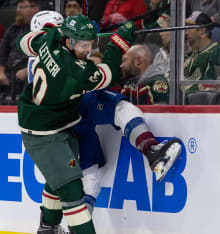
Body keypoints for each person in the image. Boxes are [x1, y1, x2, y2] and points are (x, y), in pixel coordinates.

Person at [19, 13, 181, 234]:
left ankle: (47, 227)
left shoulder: (46, 41)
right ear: (67, 39)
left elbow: (25, 42)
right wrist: (118, 43)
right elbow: (108, 75)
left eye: (89, 43)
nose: (88, 49)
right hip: (51, 127)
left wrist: (77, 33)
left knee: (60, 180)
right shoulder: (73, 69)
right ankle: (60, 227)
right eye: (83, 44)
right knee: (75, 187)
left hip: (59, 116)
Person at [0, 0, 40, 104]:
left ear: (35, 8)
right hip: (10, 73)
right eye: (17, 7)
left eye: (22, 7)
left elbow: (43, 54)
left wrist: (28, 70)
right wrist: (1, 73)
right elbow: (2, 54)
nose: (18, 11)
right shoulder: (13, 28)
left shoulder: (40, 30)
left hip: (29, 72)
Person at [183, 11, 218, 92]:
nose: (185, 32)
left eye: (190, 27)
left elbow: (210, 86)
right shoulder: (187, 56)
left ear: (202, 31)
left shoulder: (216, 53)